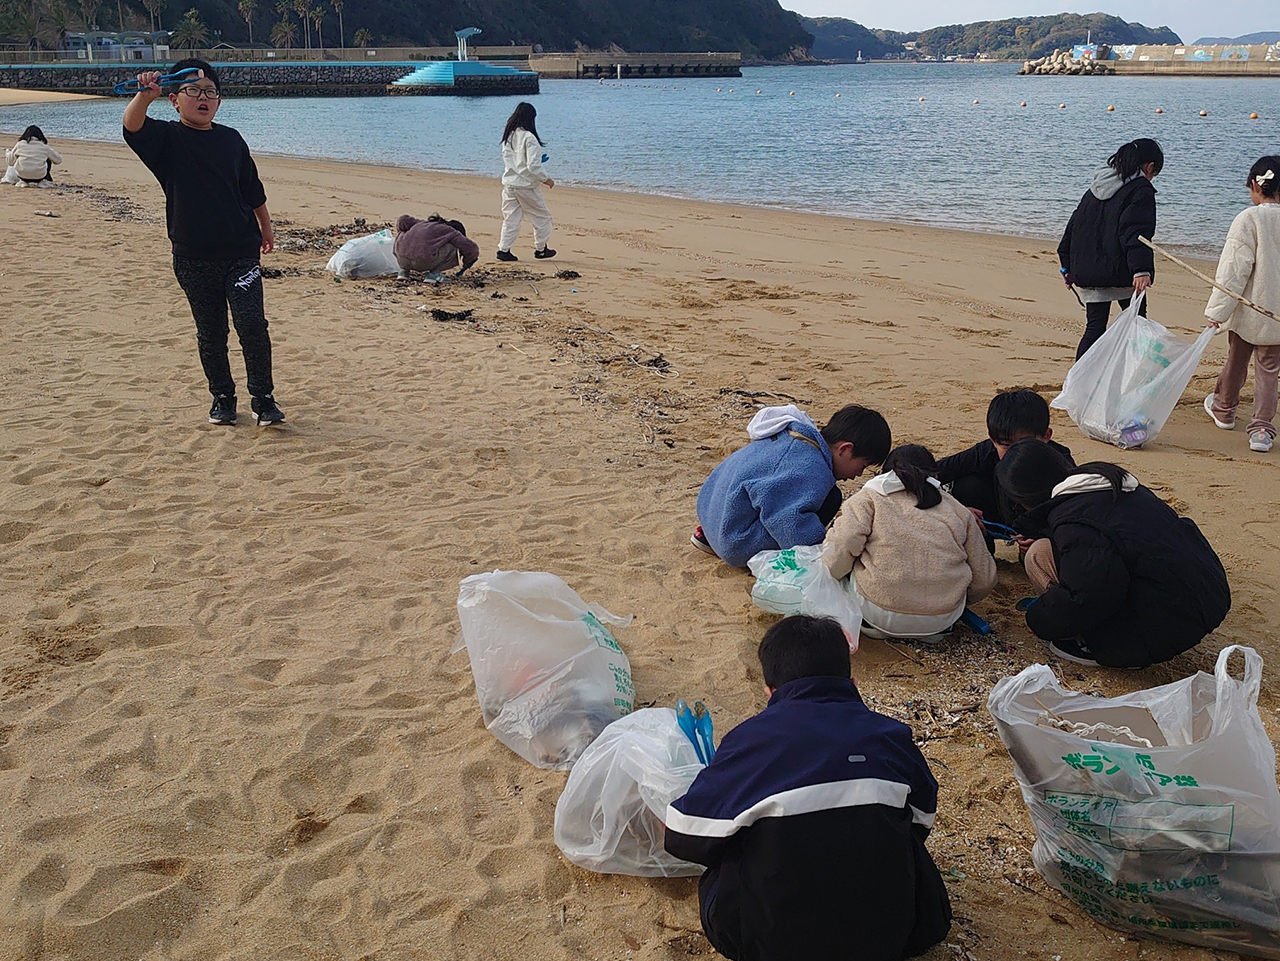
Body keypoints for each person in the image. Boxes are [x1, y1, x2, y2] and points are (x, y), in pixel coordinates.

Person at [664, 615, 951, 961]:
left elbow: (683, 837)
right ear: (852, 681)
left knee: (732, 846)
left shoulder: (750, 739)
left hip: (769, 943)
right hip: (890, 938)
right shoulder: (891, 735)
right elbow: (922, 820)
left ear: (770, 691)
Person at [123, 59, 284, 427]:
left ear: (219, 101)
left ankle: (264, 400)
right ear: (175, 100)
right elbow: (132, 127)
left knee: (252, 326)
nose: (203, 98)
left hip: (240, 253)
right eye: (193, 91)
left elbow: (251, 189)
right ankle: (223, 400)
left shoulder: (231, 139)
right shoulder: (166, 140)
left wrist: (266, 227)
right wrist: (144, 96)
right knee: (211, 332)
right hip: (193, 256)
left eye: (210, 91)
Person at [998, 441, 1230, 668]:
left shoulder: (1074, 522)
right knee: (1058, 553)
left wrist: (1040, 619)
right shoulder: (1109, 483)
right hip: (1208, 595)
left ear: (1024, 497)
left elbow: (1090, 593)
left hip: (1162, 629)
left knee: (1038, 556)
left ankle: (1090, 641)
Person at [823, 445, 997, 641]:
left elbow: (842, 546)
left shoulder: (868, 498)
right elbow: (985, 578)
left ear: (884, 472)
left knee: (850, 552)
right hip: (941, 622)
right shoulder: (957, 509)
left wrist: (831, 575)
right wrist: (956, 601)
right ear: (935, 475)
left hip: (875, 615)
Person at [691, 404, 891, 567]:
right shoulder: (810, 468)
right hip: (734, 542)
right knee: (831, 499)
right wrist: (820, 554)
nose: (858, 474)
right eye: (862, 465)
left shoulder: (791, 438)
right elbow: (787, 520)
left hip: (712, 514)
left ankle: (710, 538)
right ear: (845, 449)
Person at [1058, 138, 1163, 358]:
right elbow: (1136, 231)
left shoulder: (1095, 188)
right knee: (1137, 325)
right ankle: (1135, 377)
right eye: (1154, 174)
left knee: (1094, 328)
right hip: (1121, 271)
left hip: (1088, 269)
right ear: (1149, 167)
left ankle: (1081, 383)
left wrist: (1067, 266)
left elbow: (1073, 227)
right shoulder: (1141, 189)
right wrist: (1141, 269)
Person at [1204, 156, 1280, 454]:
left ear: (1254, 185)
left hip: (1250, 309)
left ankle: (1224, 408)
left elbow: (1234, 270)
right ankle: (1261, 428)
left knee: (1237, 358)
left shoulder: (1250, 218)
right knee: (1268, 370)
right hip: (1274, 314)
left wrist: (1217, 311)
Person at [937, 389, 1075, 539]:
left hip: (1043, 528)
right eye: (1006, 445)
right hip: (996, 520)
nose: (1017, 451)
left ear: (1046, 437)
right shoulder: (984, 452)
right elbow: (924, 475)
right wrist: (958, 511)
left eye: (1026, 443)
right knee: (968, 486)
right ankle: (983, 556)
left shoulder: (1060, 461)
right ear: (993, 440)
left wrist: (1045, 536)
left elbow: (1076, 507)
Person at [496, 102, 555, 262]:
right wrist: (546, 179)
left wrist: (536, 164)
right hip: (526, 186)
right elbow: (532, 167)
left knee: (511, 218)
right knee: (542, 217)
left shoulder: (508, 135)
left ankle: (503, 249)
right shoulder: (529, 137)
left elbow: (515, 161)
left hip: (509, 183)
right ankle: (541, 248)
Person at [393, 213, 480, 281]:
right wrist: (467, 262)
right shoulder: (450, 231)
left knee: (403, 234)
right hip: (424, 262)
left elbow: (402, 220)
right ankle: (433, 275)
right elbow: (471, 248)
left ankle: (404, 272)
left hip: (402, 260)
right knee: (451, 244)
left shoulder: (420, 223)